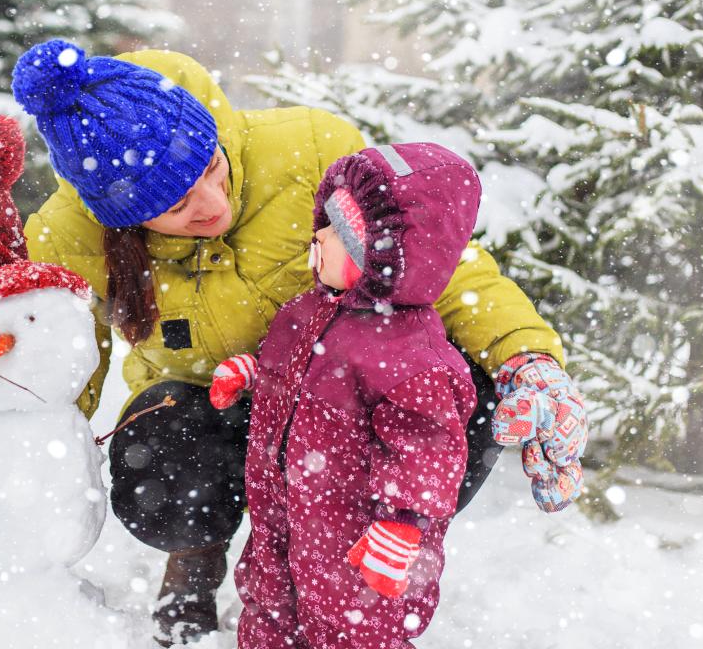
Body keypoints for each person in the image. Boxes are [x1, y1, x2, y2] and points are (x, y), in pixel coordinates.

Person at [0, 39, 589, 645]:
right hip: (209, 408)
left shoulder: (311, 149)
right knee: (160, 456)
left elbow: (437, 266)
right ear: (123, 217)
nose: (213, 203)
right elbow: (59, 369)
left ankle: (359, 583)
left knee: (451, 395)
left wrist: (525, 357)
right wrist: (30, 474)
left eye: (213, 167)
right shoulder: (72, 238)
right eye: (179, 205)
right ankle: (196, 556)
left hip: (338, 401)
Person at [208, 144, 508, 647]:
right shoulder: (307, 311)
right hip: (284, 509)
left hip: (354, 534)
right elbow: (295, 372)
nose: (319, 237)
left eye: (339, 233)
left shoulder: (415, 357)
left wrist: (402, 525)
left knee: (355, 626)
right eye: (324, 223)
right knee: (269, 603)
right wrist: (251, 373)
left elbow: (428, 450)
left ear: (387, 259)